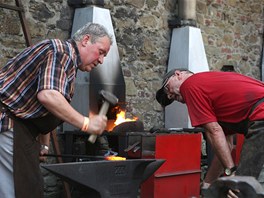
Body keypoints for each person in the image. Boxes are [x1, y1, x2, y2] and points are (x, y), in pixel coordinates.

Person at [0, 22, 112, 198]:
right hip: (6, 122)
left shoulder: (68, 64)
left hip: (20, 128)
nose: (101, 60)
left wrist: (44, 144)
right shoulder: (61, 52)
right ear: (86, 40)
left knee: (29, 187)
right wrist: (86, 124)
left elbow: (47, 108)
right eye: (101, 52)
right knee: (19, 191)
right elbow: (48, 95)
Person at [156, 68, 264, 195]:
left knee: (241, 187)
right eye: (170, 98)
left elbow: (214, 130)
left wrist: (232, 173)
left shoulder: (189, 85)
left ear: (178, 75)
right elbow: (225, 148)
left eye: (167, 88)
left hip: (261, 116)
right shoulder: (211, 92)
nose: (169, 95)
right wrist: (208, 184)